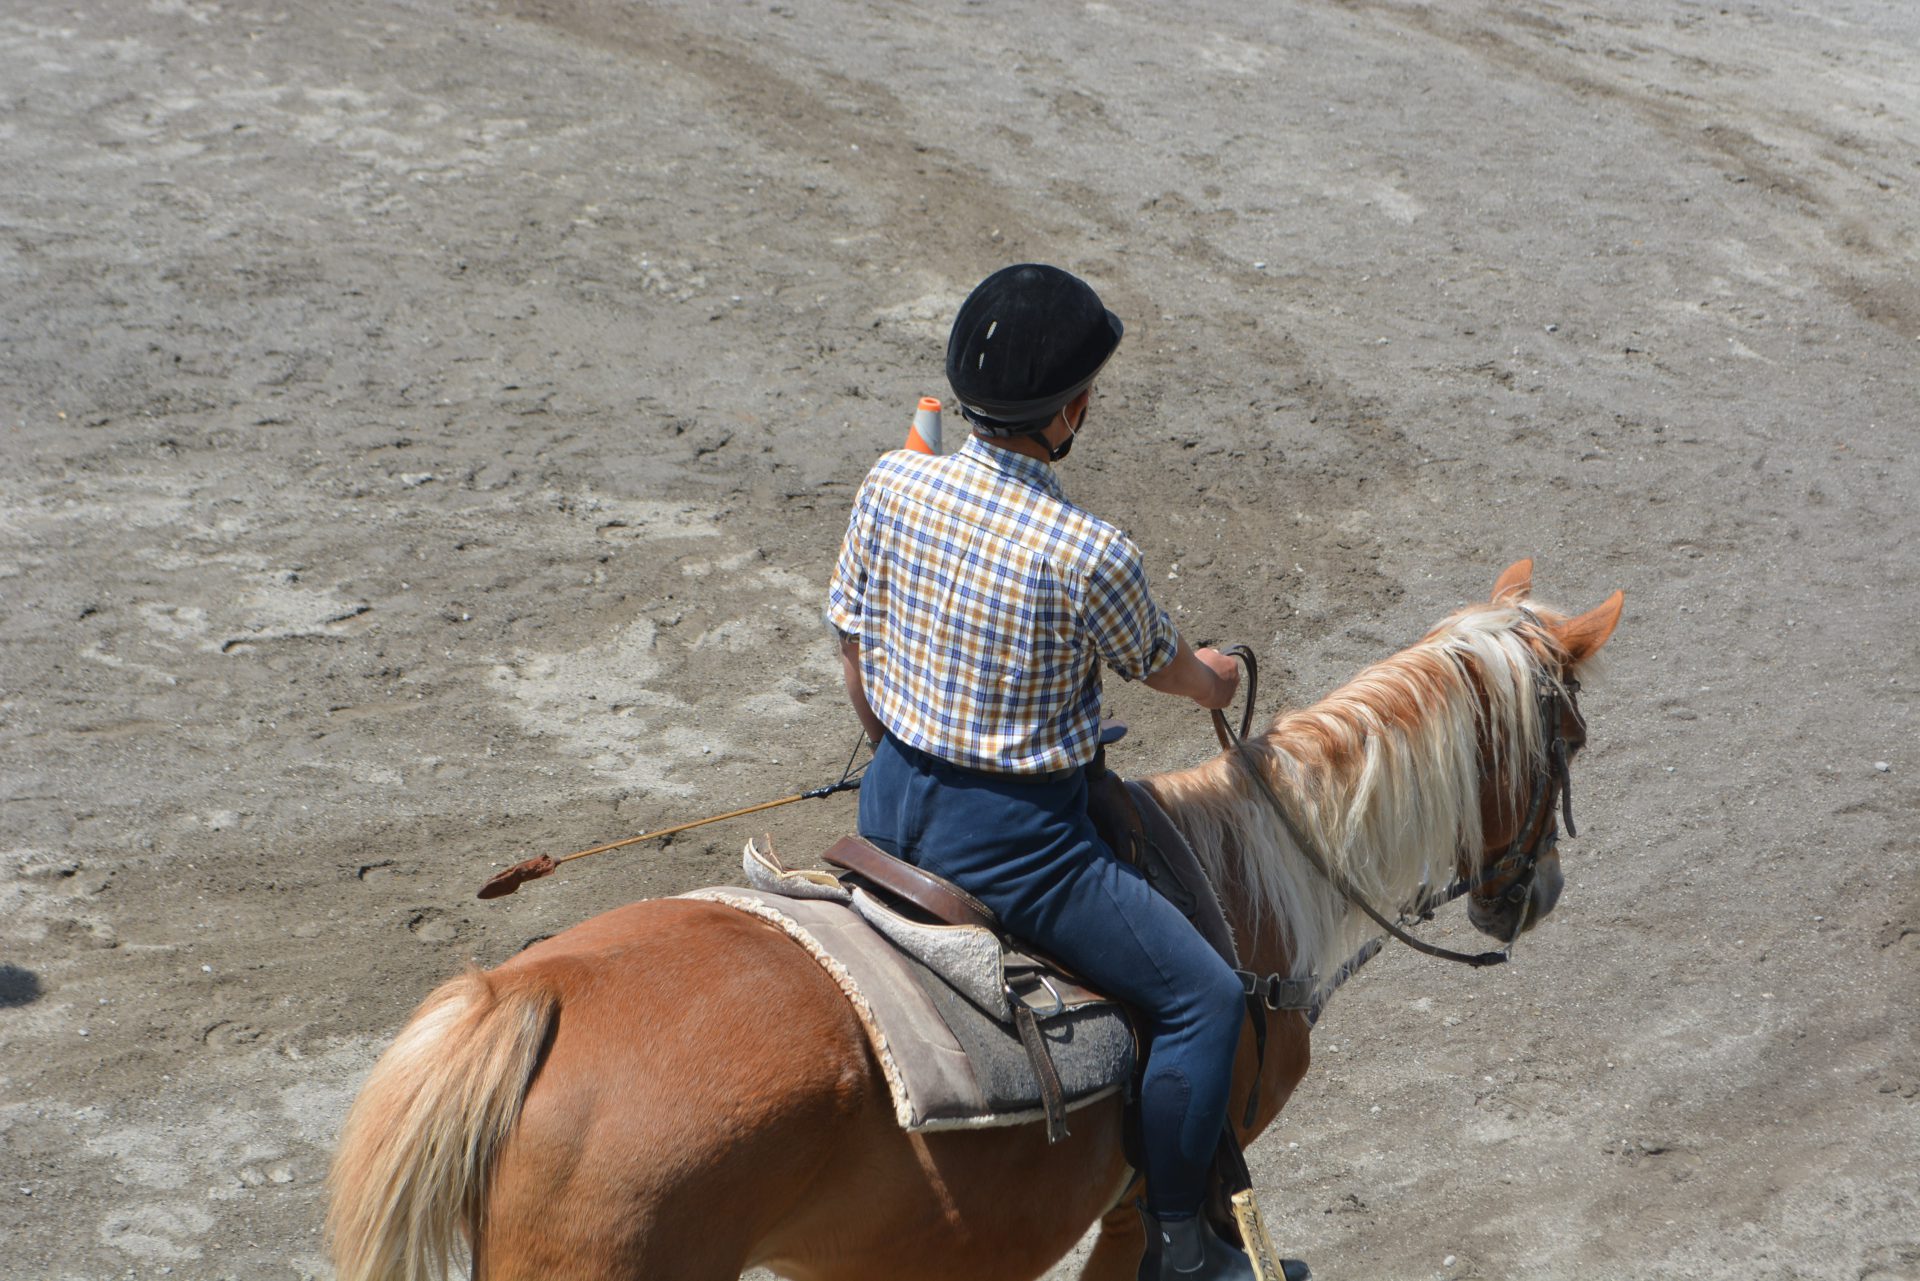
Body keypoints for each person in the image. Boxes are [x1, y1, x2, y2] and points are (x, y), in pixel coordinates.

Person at [826, 264, 1271, 1281]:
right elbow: (1177, 675)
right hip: (1019, 848)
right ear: (1070, 412)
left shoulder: (895, 480)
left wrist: (907, 735)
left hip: (888, 799)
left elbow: (853, 647)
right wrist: (1228, 674)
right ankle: (1179, 1250)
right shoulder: (1089, 552)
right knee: (1205, 998)